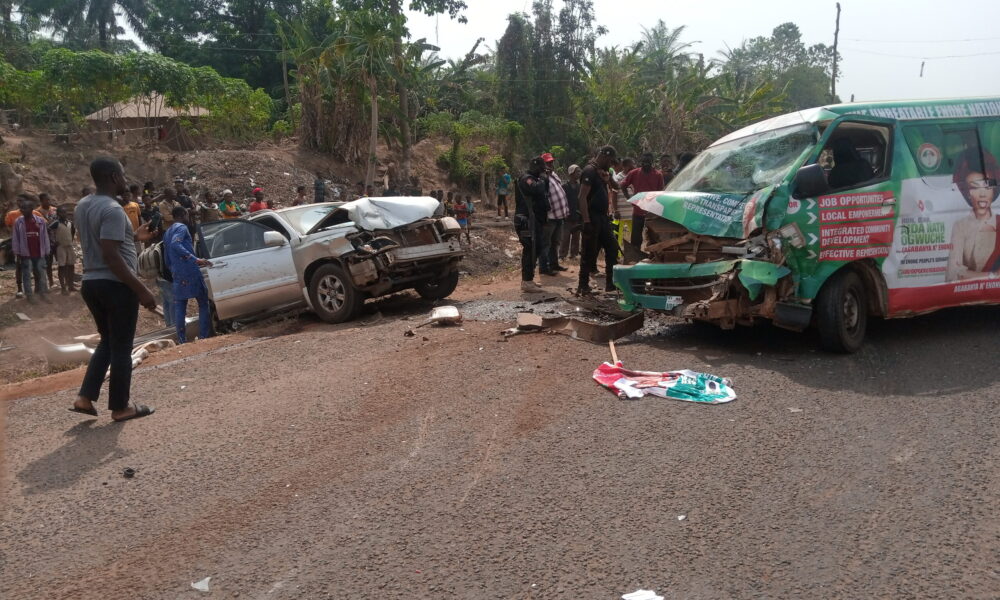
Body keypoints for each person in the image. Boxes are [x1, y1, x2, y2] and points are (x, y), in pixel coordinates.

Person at [70, 157, 157, 422]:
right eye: (121, 173)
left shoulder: (83, 205)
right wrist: (141, 289)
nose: (124, 178)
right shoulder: (112, 209)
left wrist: (133, 238)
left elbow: (103, 245)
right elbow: (110, 255)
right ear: (112, 176)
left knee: (108, 341)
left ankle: (85, 397)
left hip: (92, 283)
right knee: (122, 347)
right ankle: (121, 407)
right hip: (115, 285)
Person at [946, 150, 1000, 281]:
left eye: (987, 186)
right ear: (968, 193)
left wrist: (968, 274)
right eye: (975, 187)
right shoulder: (960, 226)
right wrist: (992, 276)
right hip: (966, 297)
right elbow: (953, 273)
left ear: (994, 190)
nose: (982, 194)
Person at [163, 206, 213, 343]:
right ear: (183, 214)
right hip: (190, 271)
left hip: (177, 273)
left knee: (180, 305)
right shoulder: (182, 228)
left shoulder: (167, 232)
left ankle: (182, 340)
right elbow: (175, 244)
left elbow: (166, 255)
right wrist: (195, 259)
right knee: (203, 302)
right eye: (187, 214)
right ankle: (203, 336)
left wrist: (172, 269)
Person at [578, 145, 620, 295]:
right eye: (610, 161)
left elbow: (617, 186)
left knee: (612, 248)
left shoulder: (602, 172)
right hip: (592, 217)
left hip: (603, 218)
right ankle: (582, 286)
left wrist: (607, 179)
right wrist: (587, 221)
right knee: (589, 252)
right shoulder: (589, 170)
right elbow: (582, 197)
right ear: (604, 156)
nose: (611, 164)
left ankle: (611, 285)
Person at [514, 156, 550, 293]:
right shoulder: (526, 179)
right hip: (525, 220)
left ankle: (529, 279)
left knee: (536, 247)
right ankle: (527, 281)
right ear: (536, 167)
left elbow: (544, 194)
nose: (543, 172)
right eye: (541, 169)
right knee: (530, 248)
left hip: (534, 220)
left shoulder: (538, 179)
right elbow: (536, 189)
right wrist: (543, 179)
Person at [11, 194, 52, 303]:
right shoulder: (18, 222)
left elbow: (45, 237)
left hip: (39, 252)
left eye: (25, 208)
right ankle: (29, 295)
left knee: (42, 274)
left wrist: (47, 251)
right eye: (22, 208)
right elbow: (16, 238)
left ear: (31, 209)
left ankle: (43, 294)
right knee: (27, 275)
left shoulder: (40, 221)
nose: (23, 210)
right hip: (26, 253)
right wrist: (17, 252)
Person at [622, 152, 665, 248]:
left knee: (654, 237)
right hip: (638, 210)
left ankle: (654, 256)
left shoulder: (658, 175)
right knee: (636, 237)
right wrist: (629, 198)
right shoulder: (634, 173)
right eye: (644, 161)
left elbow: (661, 192)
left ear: (652, 162)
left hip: (652, 211)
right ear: (641, 162)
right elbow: (623, 185)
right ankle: (634, 256)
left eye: (648, 161)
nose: (646, 163)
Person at [6, 196, 43, 299]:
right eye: (18, 202)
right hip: (20, 245)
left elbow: (43, 226)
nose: (20, 204)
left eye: (22, 202)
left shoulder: (36, 214)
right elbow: (8, 226)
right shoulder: (12, 214)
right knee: (19, 267)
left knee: (36, 267)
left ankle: (37, 288)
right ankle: (20, 289)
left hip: (34, 246)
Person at [539, 152, 569, 274]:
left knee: (556, 242)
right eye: (548, 163)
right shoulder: (541, 177)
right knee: (546, 243)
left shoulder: (553, 175)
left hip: (559, 215)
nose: (550, 164)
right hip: (549, 216)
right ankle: (544, 267)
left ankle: (554, 264)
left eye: (551, 162)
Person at [50, 205, 77, 294]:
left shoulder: (70, 223)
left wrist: (71, 240)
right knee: (62, 266)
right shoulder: (56, 223)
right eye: (61, 212)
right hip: (60, 247)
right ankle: (63, 288)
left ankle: (71, 285)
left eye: (65, 212)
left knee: (71, 265)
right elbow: (47, 229)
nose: (64, 214)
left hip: (69, 246)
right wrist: (53, 241)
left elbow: (72, 232)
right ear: (58, 214)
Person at [559, 164, 583, 261]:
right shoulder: (564, 186)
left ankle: (574, 254)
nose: (579, 173)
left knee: (576, 237)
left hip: (577, 215)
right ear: (571, 173)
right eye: (577, 171)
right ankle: (562, 255)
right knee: (565, 237)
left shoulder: (580, 186)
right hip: (567, 215)